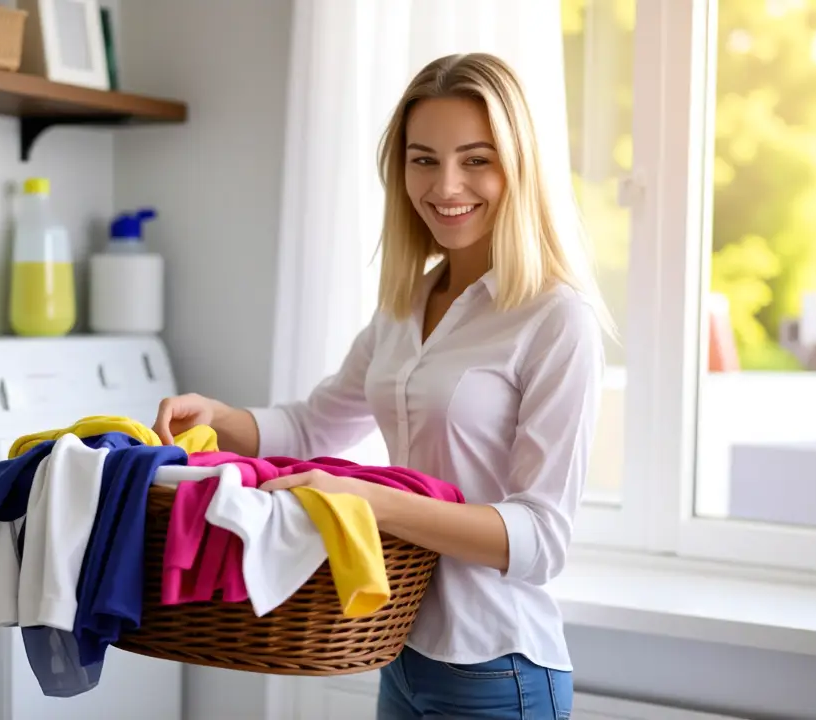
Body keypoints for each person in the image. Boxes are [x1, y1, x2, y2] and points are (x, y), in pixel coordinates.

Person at [152, 52, 609, 720]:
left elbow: (540, 540)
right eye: (424, 159)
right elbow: (312, 427)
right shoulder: (406, 304)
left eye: (475, 159)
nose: (446, 184)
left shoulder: (554, 317)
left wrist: (368, 503)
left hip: (498, 669)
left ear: (519, 165)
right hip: (401, 653)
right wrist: (216, 414)